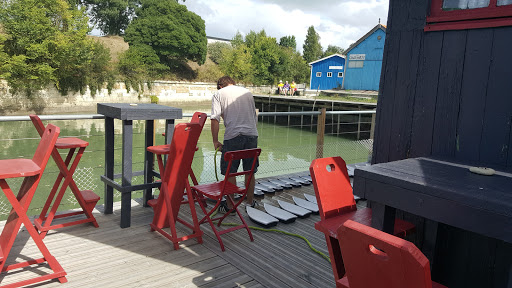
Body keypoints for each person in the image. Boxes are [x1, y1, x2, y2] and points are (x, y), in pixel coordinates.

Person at [211, 76, 259, 213]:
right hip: (252, 135)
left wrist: (215, 141)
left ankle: (230, 206)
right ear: (233, 83)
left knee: (230, 171)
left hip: (233, 136)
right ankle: (250, 203)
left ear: (220, 85)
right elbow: (253, 115)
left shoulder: (218, 94)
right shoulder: (247, 93)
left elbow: (215, 119)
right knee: (250, 171)